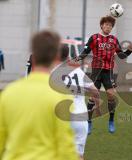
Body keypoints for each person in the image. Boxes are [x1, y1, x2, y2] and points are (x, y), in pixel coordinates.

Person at [0, 30, 79, 160]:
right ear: (56, 58)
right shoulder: (61, 96)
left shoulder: (9, 93)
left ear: (33, 55)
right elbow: (65, 146)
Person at [78, 15, 132, 134]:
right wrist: (77, 59)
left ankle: (111, 121)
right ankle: (88, 122)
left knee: (111, 95)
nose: (108, 27)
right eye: (106, 24)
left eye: (110, 25)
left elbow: (121, 56)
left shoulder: (113, 40)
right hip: (96, 71)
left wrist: (129, 50)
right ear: (102, 25)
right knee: (93, 97)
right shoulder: (94, 38)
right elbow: (86, 51)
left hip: (108, 72)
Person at [59, 44, 99, 159]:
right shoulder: (78, 72)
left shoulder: (52, 72)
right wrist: (96, 106)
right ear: (68, 56)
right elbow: (95, 91)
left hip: (62, 118)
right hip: (80, 119)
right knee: (78, 156)